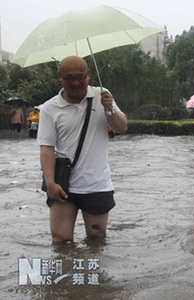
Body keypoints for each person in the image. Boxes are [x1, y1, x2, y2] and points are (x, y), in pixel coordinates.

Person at [37, 56, 128, 243]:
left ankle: (92, 273)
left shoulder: (102, 96)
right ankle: (66, 272)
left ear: (89, 74)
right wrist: (50, 183)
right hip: (63, 184)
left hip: (96, 183)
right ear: (59, 77)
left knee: (97, 238)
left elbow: (122, 128)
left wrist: (110, 108)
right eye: (69, 77)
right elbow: (46, 148)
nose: (76, 82)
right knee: (60, 239)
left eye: (81, 76)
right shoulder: (49, 108)